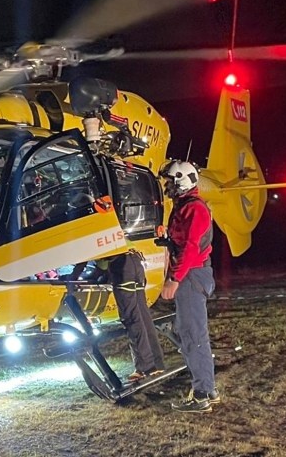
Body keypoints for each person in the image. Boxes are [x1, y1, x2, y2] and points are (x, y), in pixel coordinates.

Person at [159, 160, 221, 413]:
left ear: (182, 181)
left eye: (169, 181)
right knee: (191, 334)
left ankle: (202, 395)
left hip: (192, 276)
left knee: (194, 336)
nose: (166, 186)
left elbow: (191, 248)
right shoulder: (185, 206)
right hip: (193, 274)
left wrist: (174, 279)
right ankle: (207, 390)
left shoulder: (194, 209)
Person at [107, 248, 166, 382]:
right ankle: (157, 363)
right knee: (144, 317)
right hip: (135, 262)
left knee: (132, 319)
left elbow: (97, 262)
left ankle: (145, 367)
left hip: (121, 266)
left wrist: (74, 275)